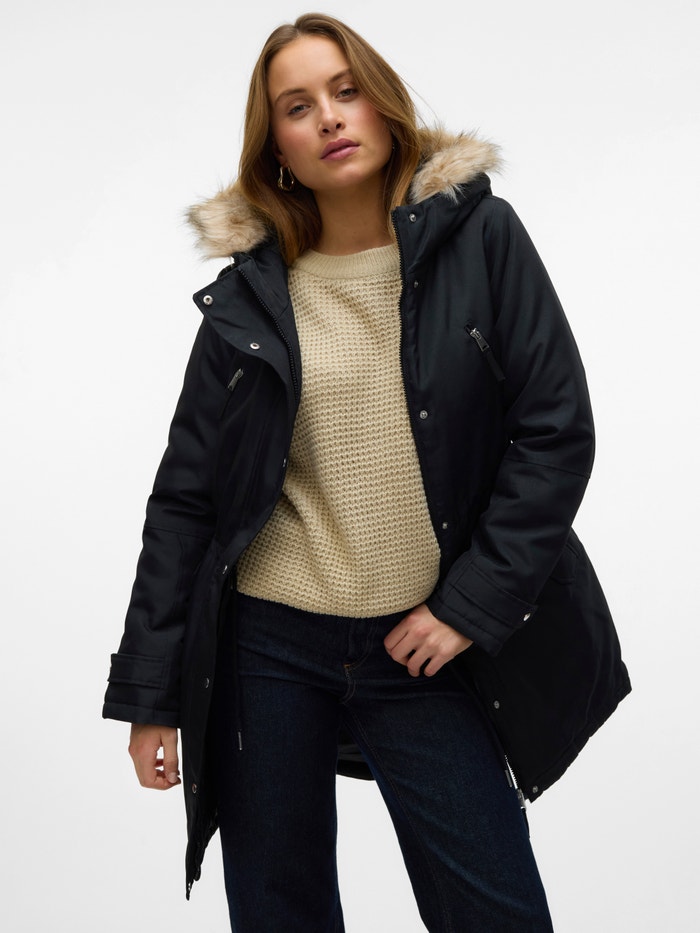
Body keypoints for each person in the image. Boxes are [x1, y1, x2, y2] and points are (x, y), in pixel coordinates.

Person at [103, 12, 630, 932]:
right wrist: (151, 695)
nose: (329, 117)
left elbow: (554, 432)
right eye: (297, 106)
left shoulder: (482, 237)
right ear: (277, 149)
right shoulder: (251, 291)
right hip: (265, 648)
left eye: (346, 91)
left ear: (383, 105)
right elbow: (186, 497)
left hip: (423, 641)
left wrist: (469, 606)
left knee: (496, 910)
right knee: (279, 911)